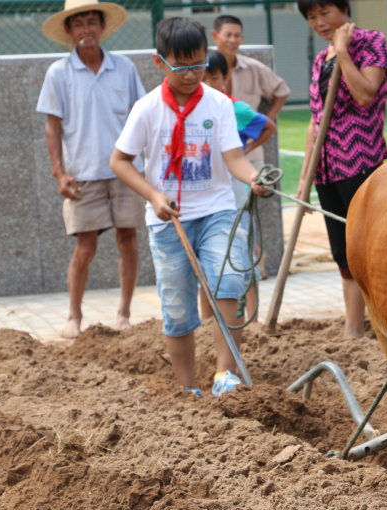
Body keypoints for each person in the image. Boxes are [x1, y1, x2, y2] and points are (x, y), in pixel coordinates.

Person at [110, 17, 265, 398]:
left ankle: (225, 375)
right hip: (168, 221)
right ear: (159, 62)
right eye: (181, 67)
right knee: (178, 310)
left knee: (229, 282)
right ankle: (187, 387)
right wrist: (153, 195)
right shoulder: (147, 109)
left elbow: (233, 158)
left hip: (216, 210)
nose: (192, 75)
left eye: (198, 65)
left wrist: (252, 178)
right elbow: (119, 161)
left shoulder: (219, 104)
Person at [37, 0, 146, 339]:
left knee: (127, 239)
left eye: (92, 22)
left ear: (102, 27)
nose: (86, 29)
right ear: (69, 31)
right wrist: (59, 172)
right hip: (82, 172)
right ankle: (74, 316)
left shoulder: (124, 67)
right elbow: (52, 127)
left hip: (125, 169)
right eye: (79, 23)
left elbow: (141, 116)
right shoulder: (58, 72)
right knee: (85, 246)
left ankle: (124, 314)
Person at [296, 0, 387, 338]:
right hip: (326, 169)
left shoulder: (371, 42)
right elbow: (314, 120)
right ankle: (353, 330)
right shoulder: (322, 59)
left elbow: (365, 94)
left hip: (361, 163)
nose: (319, 22)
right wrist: (305, 177)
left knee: (372, 252)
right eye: (311, 17)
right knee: (343, 256)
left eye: (324, 12)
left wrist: (343, 52)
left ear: (344, 9)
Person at [199, 49, 277, 322]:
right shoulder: (192, 111)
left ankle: (252, 321)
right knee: (204, 264)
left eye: (215, 77)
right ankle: (207, 323)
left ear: (226, 77)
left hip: (234, 197)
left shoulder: (235, 108)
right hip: (203, 198)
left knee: (243, 257)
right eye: (203, 77)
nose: (209, 84)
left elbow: (269, 127)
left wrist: (245, 151)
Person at [212, 14, 291, 277]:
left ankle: (255, 260)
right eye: (227, 35)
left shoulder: (254, 70)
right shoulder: (205, 65)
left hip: (246, 153)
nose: (232, 40)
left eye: (237, 35)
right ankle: (238, 261)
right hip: (213, 164)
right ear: (216, 37)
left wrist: (264, 123)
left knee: (248, 206)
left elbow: (281, 91)